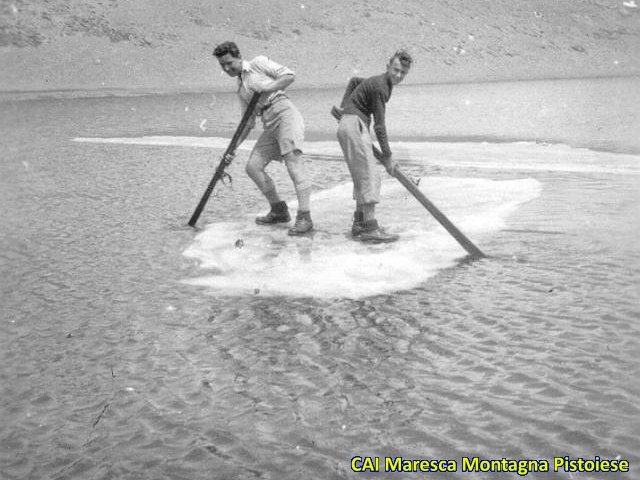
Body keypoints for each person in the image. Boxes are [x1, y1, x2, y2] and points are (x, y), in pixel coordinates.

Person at [212, 41, 313, 235]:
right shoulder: (241, 89)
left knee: (294, 166)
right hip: (269, 124)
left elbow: (289, 75)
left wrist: (268, 88)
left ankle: (305, 217)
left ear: (238, 56)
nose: (226, 68)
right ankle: (279, 210)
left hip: (285, 115)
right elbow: (248, 123)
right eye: (222, 66)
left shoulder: (258, 63)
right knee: (253, 167)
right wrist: (231, 150)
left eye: (229, 63)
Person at [334, 50, 412, 243]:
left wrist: (345, 109)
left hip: (349, 124)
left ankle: (360, 223)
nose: (398, 75)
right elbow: (379, 126)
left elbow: (353, 81)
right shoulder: (380, 87)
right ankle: (370, 228)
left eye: (403, 73)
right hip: (355, 125)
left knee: (362, 175)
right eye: (396, 70)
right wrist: (388, 156)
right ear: (388, 66)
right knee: (370, 175)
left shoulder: (379, 82)